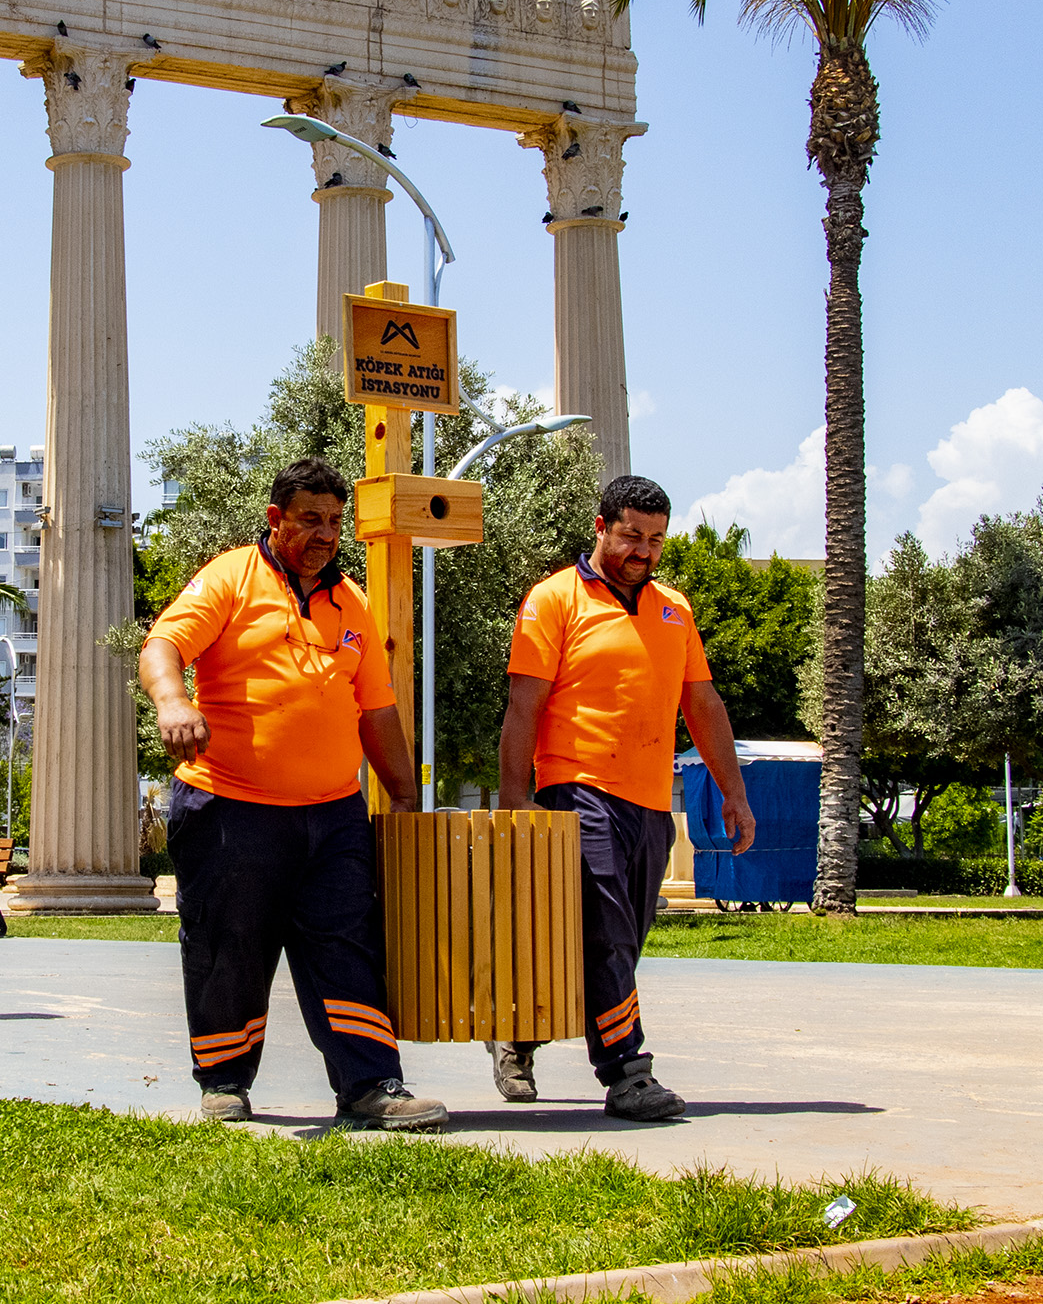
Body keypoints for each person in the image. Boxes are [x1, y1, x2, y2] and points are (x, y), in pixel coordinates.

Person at [140, 456, 447, 1133]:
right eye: (311, 518)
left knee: (347, 944)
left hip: (334, 813)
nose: (326, 533)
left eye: (335, 521)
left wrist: (401, 795)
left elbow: (379, 710)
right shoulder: (231, 577)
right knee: (231, 947)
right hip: (230, 806)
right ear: (277, 517)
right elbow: (163, 643)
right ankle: (223, 1082)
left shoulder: (352, 601)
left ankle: (372, 1086)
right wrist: (172, 700)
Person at [495, 474, 755, 1121]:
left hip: (648, 800)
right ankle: (627, 1074)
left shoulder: (675, 607)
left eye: (657, 539)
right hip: (576, 790)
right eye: (632, 535)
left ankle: (519, 1032)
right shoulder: (554, 598)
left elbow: (703, 703)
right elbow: (523, 705)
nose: (644, 550)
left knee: (618, 940)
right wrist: (513, 794)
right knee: (606, 931)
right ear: (601, 526)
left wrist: (735, 793)